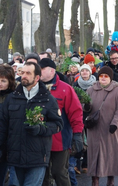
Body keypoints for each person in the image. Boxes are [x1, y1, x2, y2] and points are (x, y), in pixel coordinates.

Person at [0, 62, 63, 186]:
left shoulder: (47, 99)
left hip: (38, 158)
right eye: (22, 72)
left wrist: (40, 128)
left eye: (28, 73)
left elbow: (57, 124)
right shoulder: (12, 98)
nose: (23, 75)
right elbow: (1, 127)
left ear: (37, 77)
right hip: (15, 156)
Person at [39, 58, 84, 186]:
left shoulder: (66, 89)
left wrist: (77, 134)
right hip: (39, 139)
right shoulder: (35, 87)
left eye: (42, 69)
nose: (39, 72)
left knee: (59, 172)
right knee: (43, 175)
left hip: (60, 140)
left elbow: (76, 112)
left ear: (52, 70)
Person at [86, 66, 118, 186]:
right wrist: (86, 107)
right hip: (94, 129)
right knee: (95, 155)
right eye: (101, 76)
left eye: (106, 76)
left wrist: (115, 123)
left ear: (110, 78)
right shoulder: (90, 90)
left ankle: (110, 180)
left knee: (111, 154)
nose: (103, 78)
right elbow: (84, 104)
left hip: (110, 129)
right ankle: (95, 180)